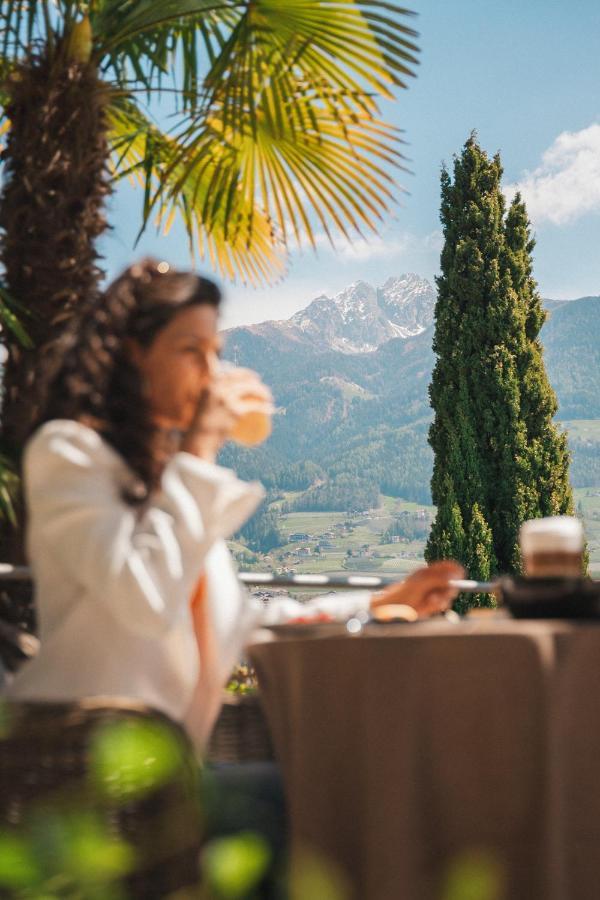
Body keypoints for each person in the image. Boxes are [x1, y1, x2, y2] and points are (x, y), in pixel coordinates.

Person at [6, 258, 464, 749]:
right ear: (134, 354)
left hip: (168, 778)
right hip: (74, 773)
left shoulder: (172, 485)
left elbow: (249, 623)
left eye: (215, 353)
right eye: (191, 351)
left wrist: (379, 602)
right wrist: (200, 448)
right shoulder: (68, 453)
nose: (211, 373)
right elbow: (145, 600)